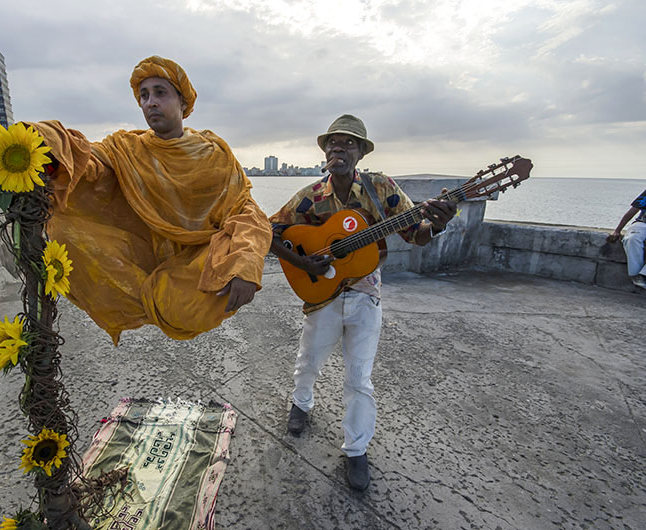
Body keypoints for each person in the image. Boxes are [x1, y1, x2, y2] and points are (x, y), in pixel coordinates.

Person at [269, 114, 461, 491]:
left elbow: (415, 235)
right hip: (321, 295)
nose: (338, 148)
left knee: (359, 378)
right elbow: (268, 231)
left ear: (360, 152)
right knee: (308, 360)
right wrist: (302, 262)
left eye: (348, 143)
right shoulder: (310, 196)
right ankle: (301, 404)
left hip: (366, 293)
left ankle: (356, 449)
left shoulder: (381, 188)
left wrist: (436, 224)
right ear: (325, 152)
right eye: (333, 143)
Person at [25, 56, 272, 344]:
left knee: (202, 300)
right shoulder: (126, 149)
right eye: (144, 96)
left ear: (183, 102)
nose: (150, 102)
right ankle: (146, 298)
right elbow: (87, 159)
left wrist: (244, 264)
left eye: (160, 93)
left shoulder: (215, 156)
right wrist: (44, 142)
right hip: (142, 254)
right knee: (66, 231)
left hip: (197, 260)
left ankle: (167, 296)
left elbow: (247, 213)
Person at [607, 189, 646, 289]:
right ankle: (636, 275)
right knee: (632, 239)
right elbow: (632, 211)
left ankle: (643, 274)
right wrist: (617, 230)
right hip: (642, 223)